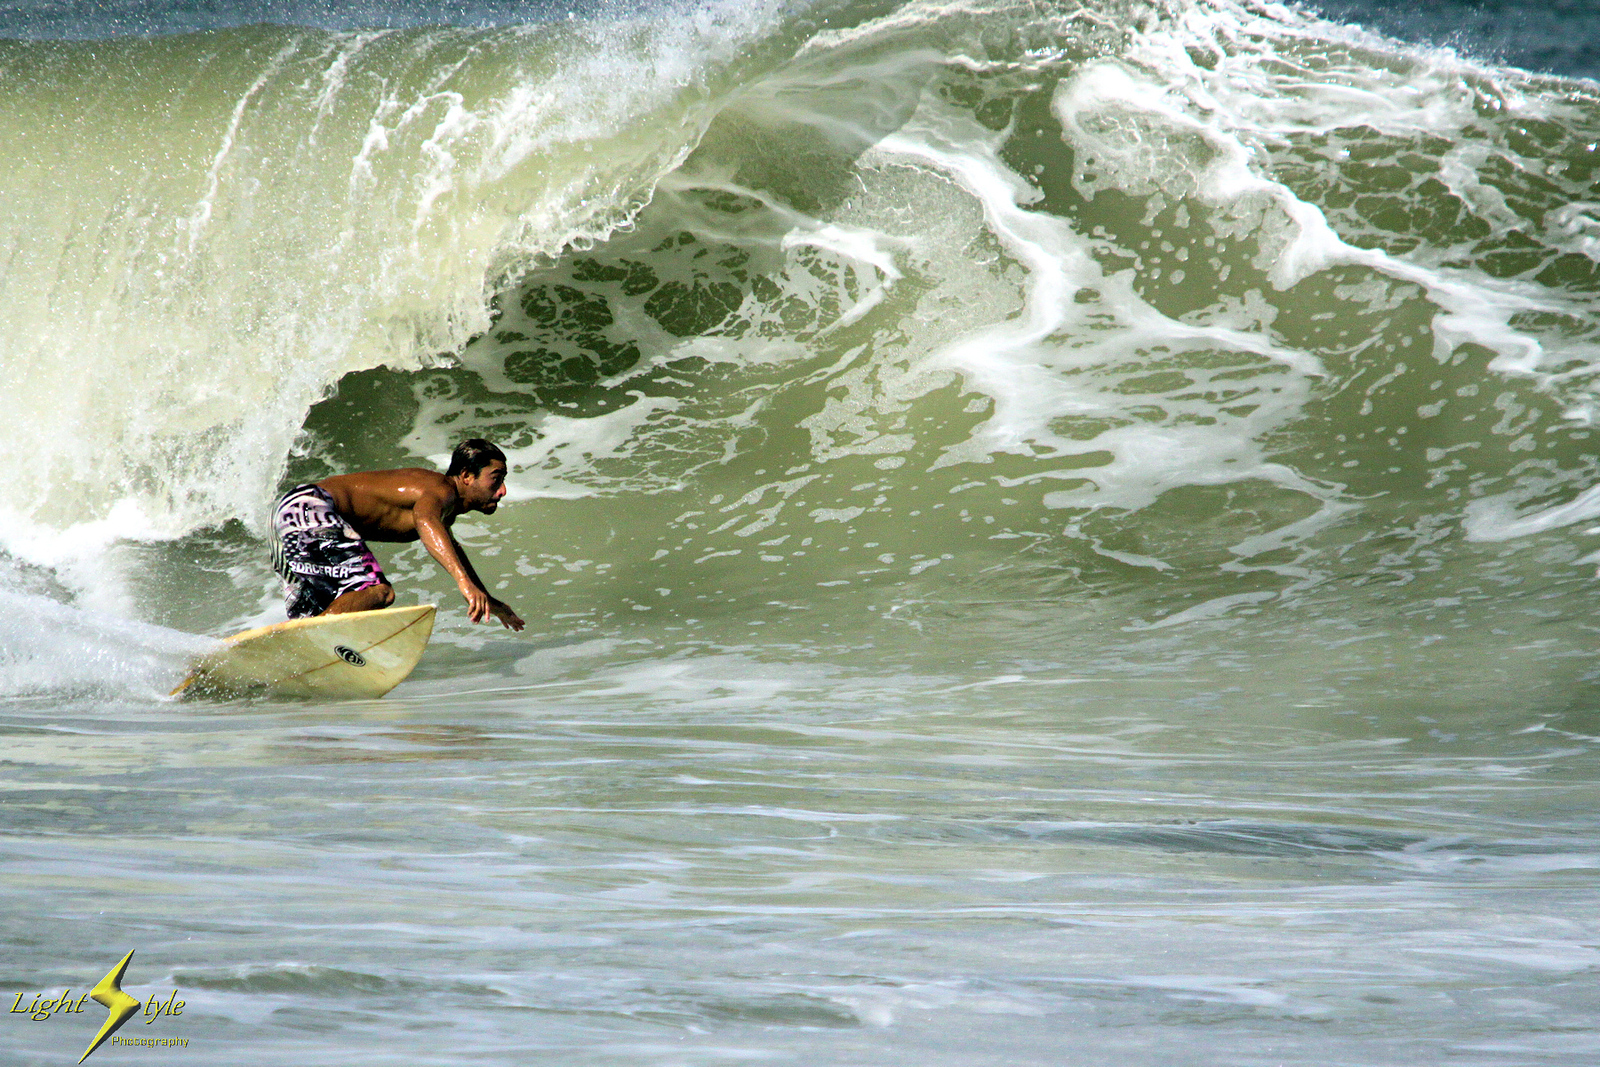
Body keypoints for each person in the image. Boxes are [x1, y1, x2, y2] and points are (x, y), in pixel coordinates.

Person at [270, 438, 525, 630]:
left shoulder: (442, 506)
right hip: (314, 507)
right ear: (467, 476)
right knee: (379, 591)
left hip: (292, 509)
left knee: (313, 613)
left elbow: (450, 547)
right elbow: (425, 520)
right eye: (496, 478)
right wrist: (463, 583)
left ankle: (294, 655)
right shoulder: (441, 489)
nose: (502, 490)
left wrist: (489, 600)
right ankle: (310, 644)